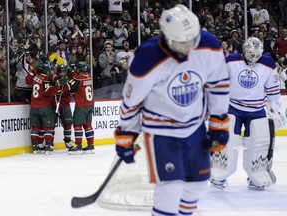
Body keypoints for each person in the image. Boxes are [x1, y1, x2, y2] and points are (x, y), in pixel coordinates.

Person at [114, 4, 230, 216]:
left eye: (191, 40)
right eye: (181, 42)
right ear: (167, 37)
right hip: (161, 133)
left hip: (195, 127)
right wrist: (126, 134)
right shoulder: (147, 57)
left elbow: (218, 86)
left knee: (198, 185)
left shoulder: (209, 46)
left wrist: (218, 123)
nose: (188, 46)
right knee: (170, 189)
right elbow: (131, 102)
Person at [210, 37, 283, 190]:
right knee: (226, 141)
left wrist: (274, 109)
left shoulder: (268, 64)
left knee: (259, 145)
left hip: (256, 110)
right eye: (251, 54)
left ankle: (255, 175)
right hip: (232, 107)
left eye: (256, 55)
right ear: (244, 50)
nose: (253, 58)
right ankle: (219, 174)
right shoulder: (231, 60)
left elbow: (273, 90)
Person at [25, 58, 67, 154]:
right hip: (44, 107)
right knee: (48, 127)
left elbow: (27, 80)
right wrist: (58, 85)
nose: (52, 72)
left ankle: (35, 147)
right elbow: (49, 92)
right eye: (50, 70)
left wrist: (32, 70)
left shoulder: (36, 76)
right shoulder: (46, 79)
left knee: (35, 128)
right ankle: (48, 146)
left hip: (33, 107)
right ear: (47, 71)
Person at [67, 61, 95, 155]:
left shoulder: (77, 78)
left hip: (81, 105)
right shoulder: (89, 76)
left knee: (77, 125)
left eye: (77, 68)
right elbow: (77, 78)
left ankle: (78, 146)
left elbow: (69, 87)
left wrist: (70, 73)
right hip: (90, 104)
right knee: (88, 125)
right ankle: (90, 145)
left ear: (79, 69)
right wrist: (72, 73)